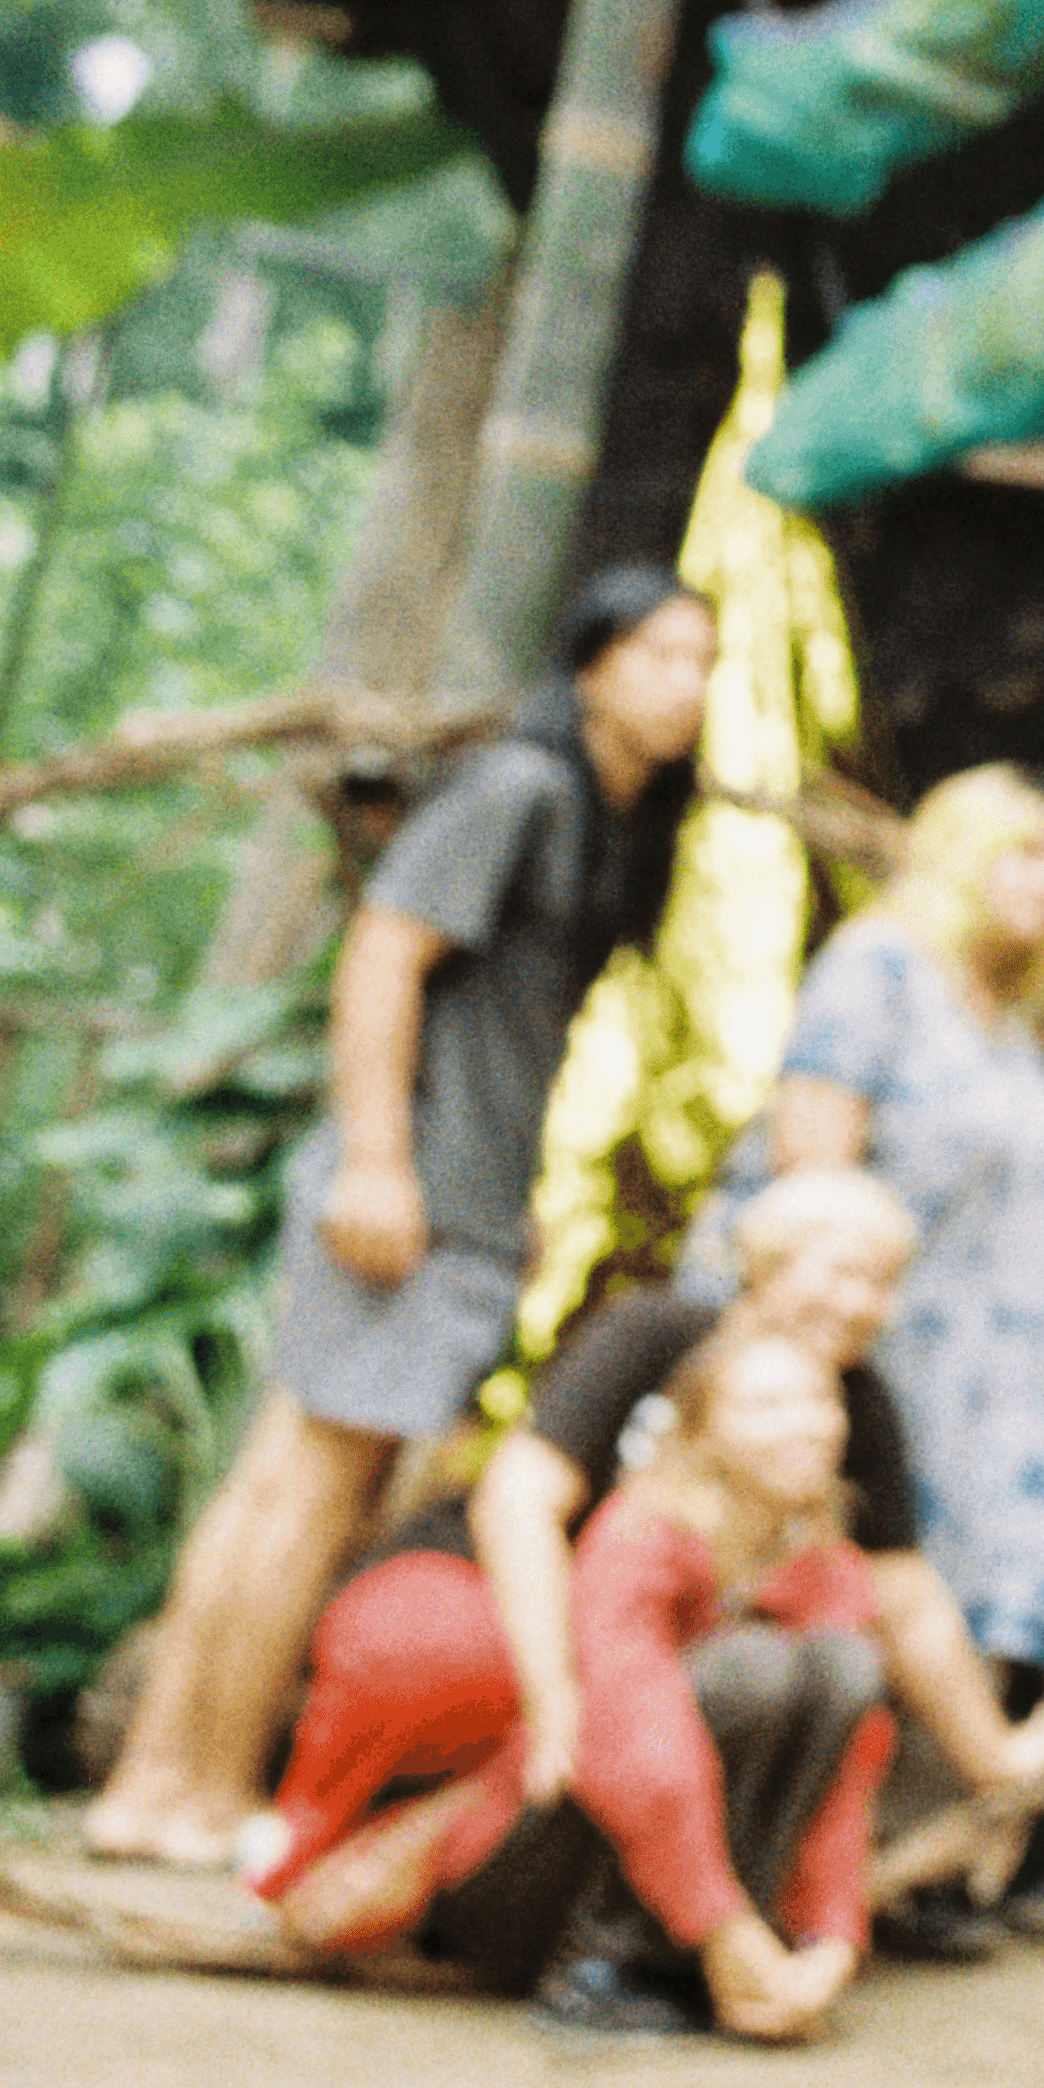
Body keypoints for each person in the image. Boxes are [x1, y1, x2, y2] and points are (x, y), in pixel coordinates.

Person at [91, 568, 714, 1866]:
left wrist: (512, 1205)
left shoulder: (601, 820)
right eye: (658, 654)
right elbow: (383, 951)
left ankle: (158, 1786)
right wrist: (379, 1164)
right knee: (306, 1494)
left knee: (295, 1482)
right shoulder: (518, 788)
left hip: (465, 1204)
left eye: (702, 664)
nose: (685, 685)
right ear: (591, 665)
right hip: (404, 1201)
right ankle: (192, 1790)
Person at [256, 1174, 1044, 1914]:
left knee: (761, 1693)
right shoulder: (655, 1333)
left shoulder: (859, 1405)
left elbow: (903, 1596)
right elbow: (518, 1500)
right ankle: (310, 1850)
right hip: (513, 1600)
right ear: (769, 1265)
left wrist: (994, 1756)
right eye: (845, 1274)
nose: (865, 1305)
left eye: (886, 1285)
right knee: (432, 1651)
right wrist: (555, 1694)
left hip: (664, 1637)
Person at [252, 1327, 891, 2044]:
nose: (803, 1424)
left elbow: (850, 1765)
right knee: (750, 1673)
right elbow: (634, 1749)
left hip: (694, 1894)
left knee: (847, 1667)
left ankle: (702, 1969)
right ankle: (606, 1968)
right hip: (526, 1870)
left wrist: (829, 1942)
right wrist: (724, 1929)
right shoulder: (640, 1535)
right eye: (766, 1406)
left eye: (818, 1401)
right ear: (702, 1433)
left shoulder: (830, 1569)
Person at [711, 764, 1044, 1678]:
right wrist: (812, 1371)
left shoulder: (1016, 1023)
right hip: (879, 1361)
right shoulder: (877, 969)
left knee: (963, 1646)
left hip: (995, 1392)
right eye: (1024, 854)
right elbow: (808, 1183)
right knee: (842, 1628)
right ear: (959, 854)